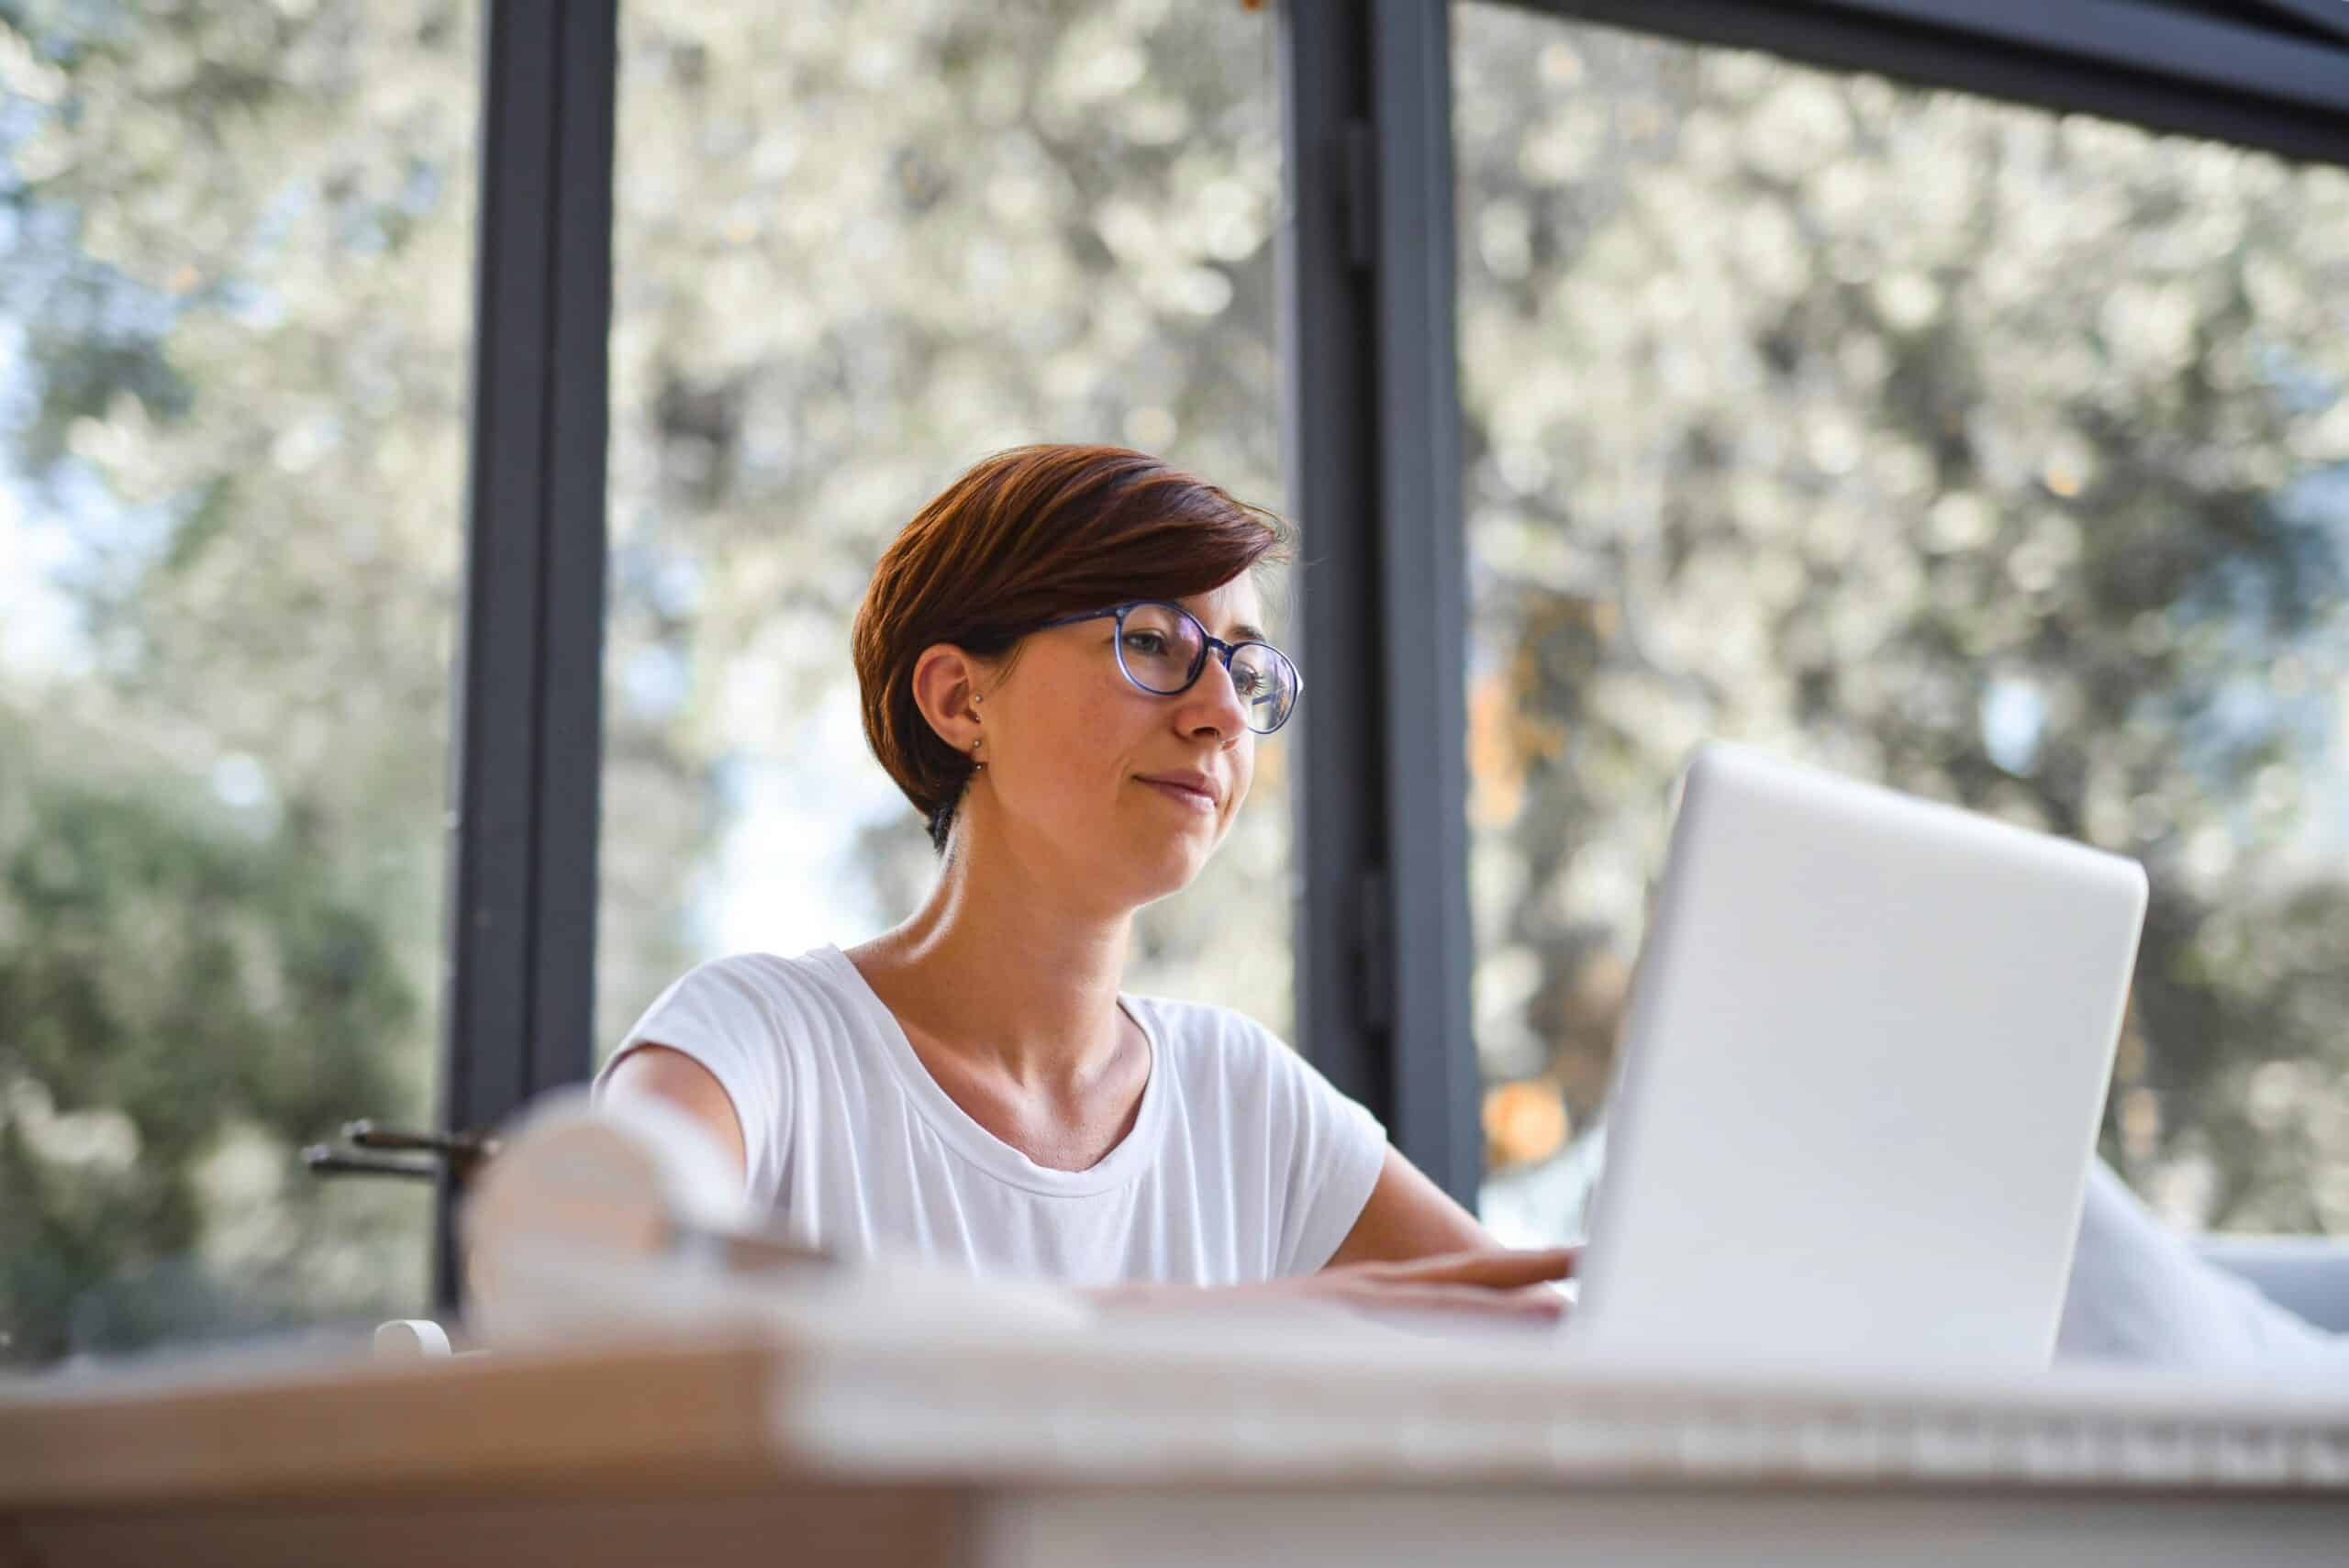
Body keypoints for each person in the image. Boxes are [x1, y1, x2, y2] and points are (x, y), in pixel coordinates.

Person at [598, 443, 1573, 1320]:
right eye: (1151, 640)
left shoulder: (1242, 1094)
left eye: (1245, 669)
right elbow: (592, 1285)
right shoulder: (755, 1042)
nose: (1223, 715)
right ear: (957, 697)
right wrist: (1204, 1331)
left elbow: (1552, 1340)